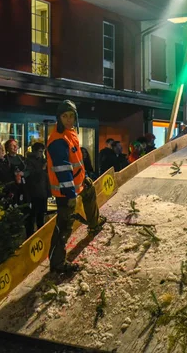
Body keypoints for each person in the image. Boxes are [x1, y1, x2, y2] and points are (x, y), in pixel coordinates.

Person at [47, 100, 104, 274]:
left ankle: (94, 223)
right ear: (59, 118)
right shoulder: (58, 140)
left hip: (77, 183)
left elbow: (76, 161)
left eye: (71, 116)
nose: (69, 120)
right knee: (64, 225)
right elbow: (62, 170)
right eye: (65, 116)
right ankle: (57, 263)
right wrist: (70, 194)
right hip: (65, 191)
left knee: (89, 193)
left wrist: (84, 176)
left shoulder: (70, 134)